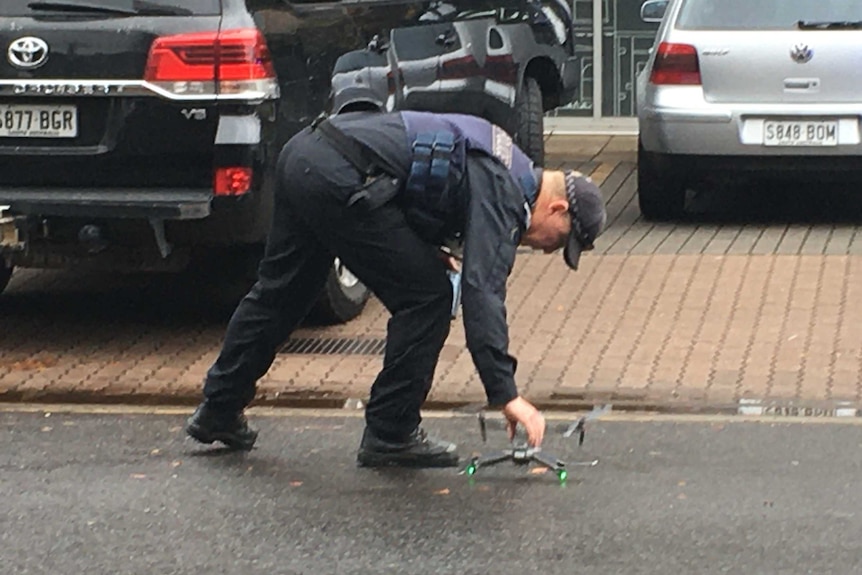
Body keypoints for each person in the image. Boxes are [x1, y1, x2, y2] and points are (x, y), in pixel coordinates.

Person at [185, 110, 607, 468]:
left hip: (307, 154)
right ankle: (391, 430)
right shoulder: (506, 193)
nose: (548, 248)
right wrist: (506, 393)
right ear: (557, 207)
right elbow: (483, 291)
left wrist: (422, 246)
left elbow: (415, 173)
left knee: (281, 294)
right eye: (559, 240)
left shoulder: (500, 156)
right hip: (339, 174)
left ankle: (218, 410)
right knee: (429, 297)